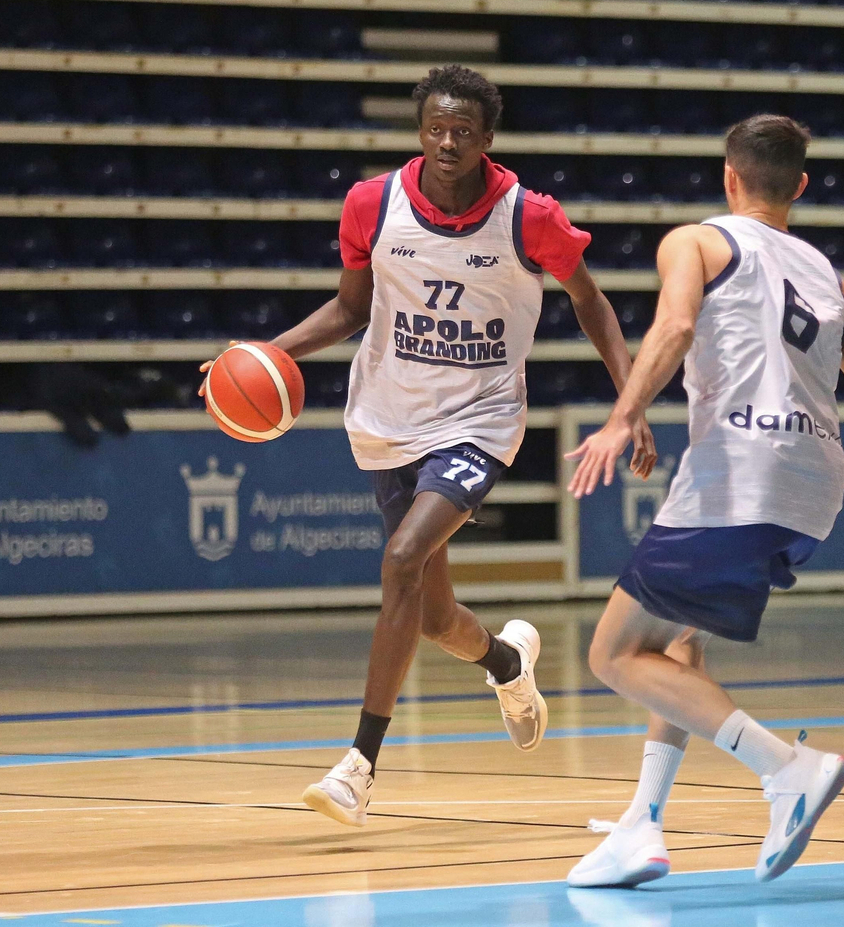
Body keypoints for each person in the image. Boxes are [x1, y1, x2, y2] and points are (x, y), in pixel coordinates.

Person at [563, 114, 844, 886]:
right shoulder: (834, 284)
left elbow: (675, 324)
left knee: (610, 652)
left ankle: (786, 768)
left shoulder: (697, 241)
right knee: (678, 640)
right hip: (816, 484)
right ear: (801, 186)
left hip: (740, 470)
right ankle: (641, 824)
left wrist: (622, 414)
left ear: (728, 176)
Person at [202, 65, 655, 827]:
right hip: (387, 417)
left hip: (479, 419)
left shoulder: (528, 216)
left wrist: (630, 402)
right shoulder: (371, 204)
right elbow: (351, 308)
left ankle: (359, 765)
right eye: (436, 128)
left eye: (464, 131)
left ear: (487, 139)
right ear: (420, 130)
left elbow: (592, 301)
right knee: (434, 614)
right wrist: (260, 354)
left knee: (403, 559)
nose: (448, 141)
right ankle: (507, 663)